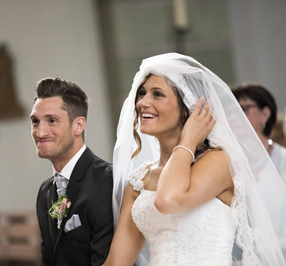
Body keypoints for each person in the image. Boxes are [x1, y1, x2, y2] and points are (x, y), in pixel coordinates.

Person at [103, 53, 286, 265]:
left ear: (187, 107)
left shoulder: (220, 161)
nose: (143, 102)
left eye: (158, 94)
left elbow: (167, 200)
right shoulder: (138, 181)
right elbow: (116, 262)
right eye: (142, 93)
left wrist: (188, 140)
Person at [30, 77, 114, 266]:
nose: (40, 132)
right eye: (35, 122)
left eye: (52, 121)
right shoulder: (45, 191)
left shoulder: (106, 182)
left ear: (78, 125)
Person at [233, 84, 286, 185]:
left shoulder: (283, 159)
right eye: (231, 111)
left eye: (243, 109)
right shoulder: (228, 161)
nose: (235, 115)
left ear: (265, 114)